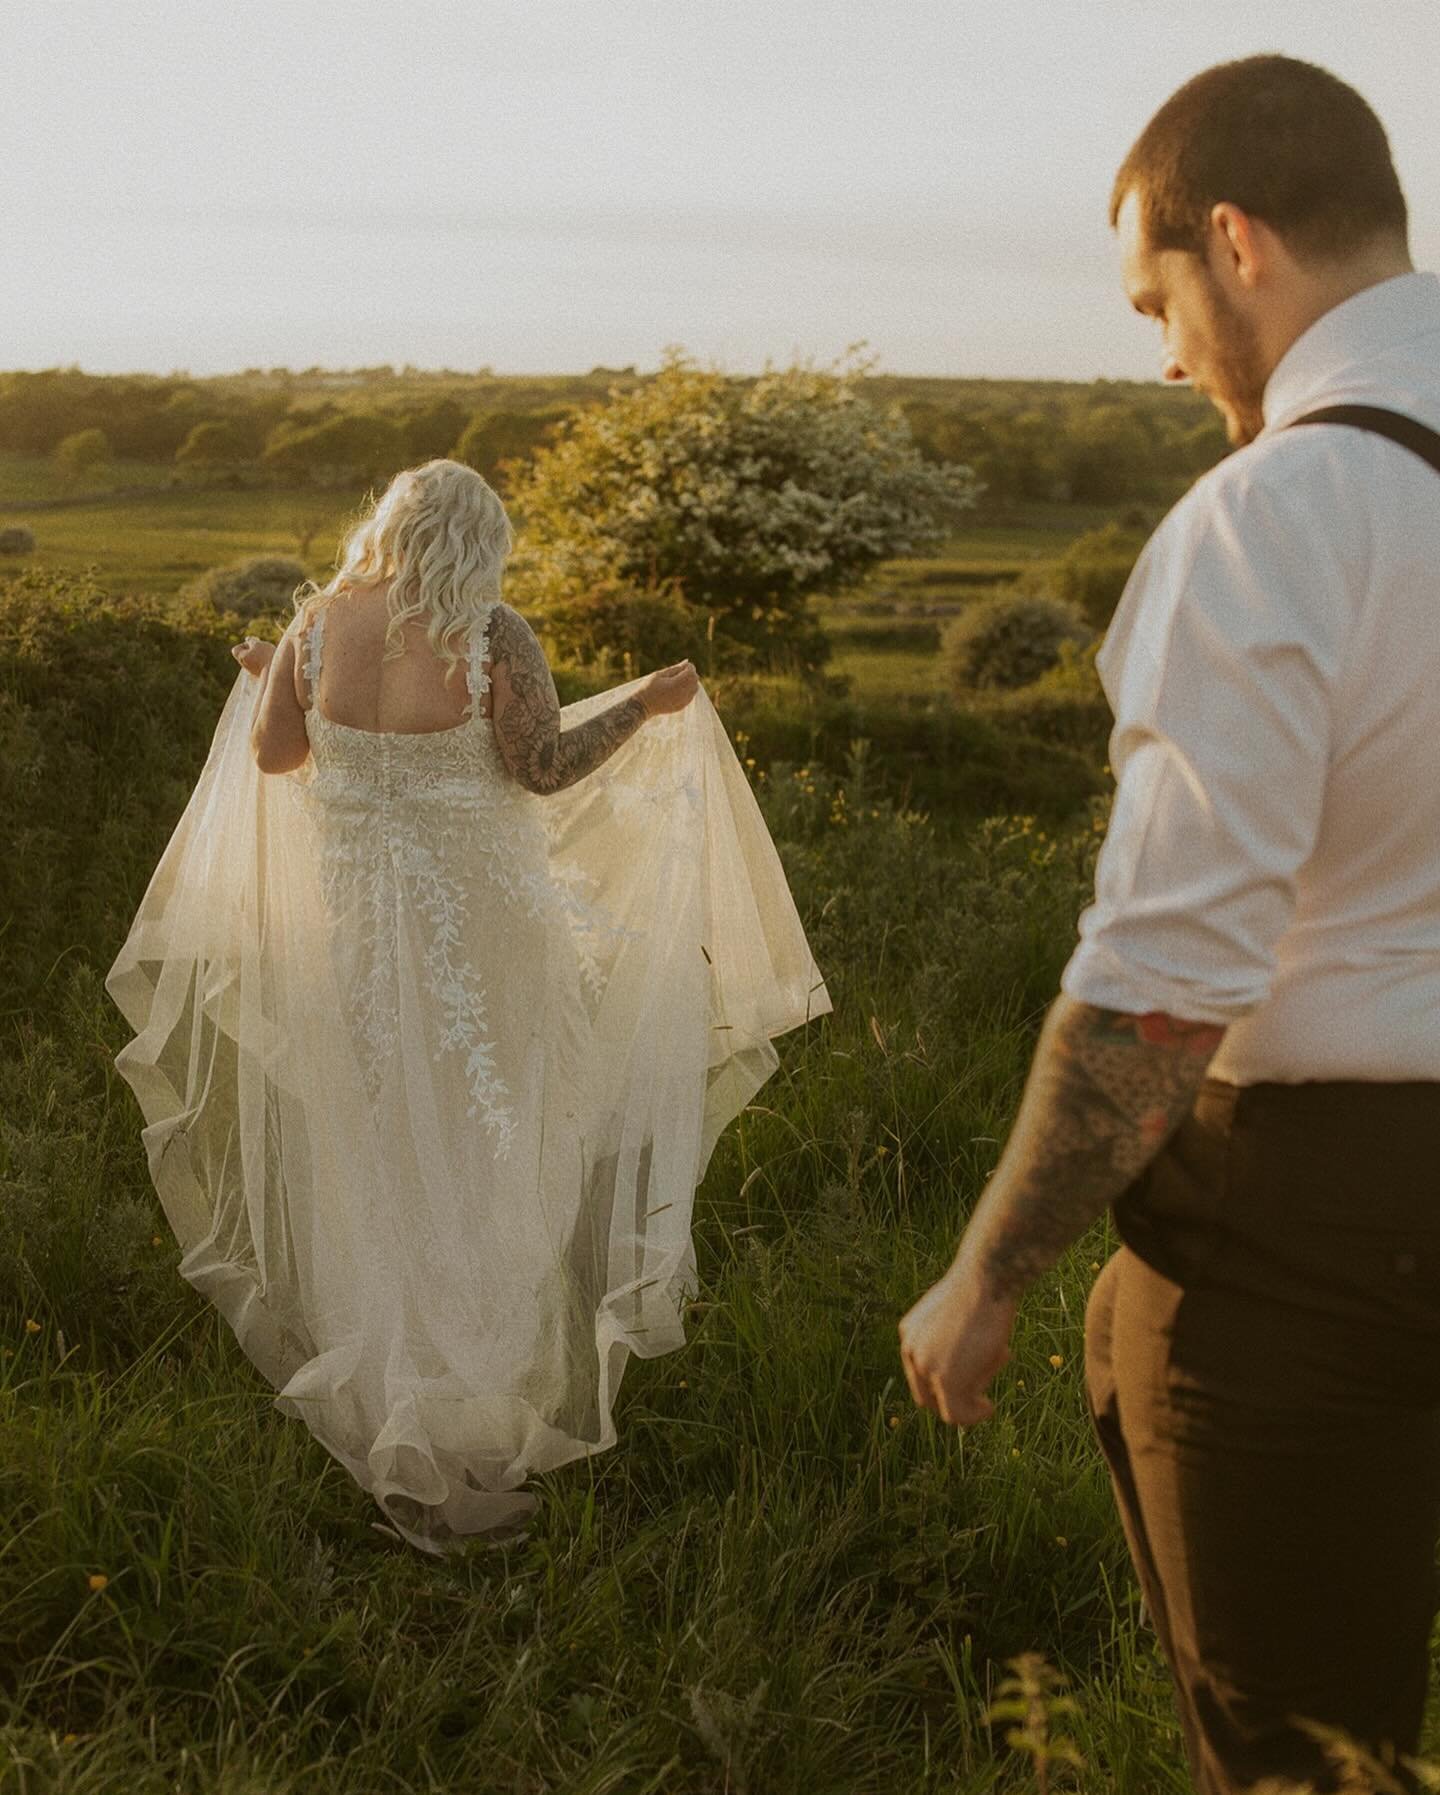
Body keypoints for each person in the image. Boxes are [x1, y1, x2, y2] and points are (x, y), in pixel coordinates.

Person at [898, 54, 1440, 1795]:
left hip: (1311, 1225)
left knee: (1302, 1760)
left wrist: (989, 1274)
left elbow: (1164, 986)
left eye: (1159, 298)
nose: (1163, 349)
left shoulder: (1277, 519)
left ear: (1237, 240)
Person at [106, 458, 831, 1555]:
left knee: (387, 1146)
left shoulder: (314, 624)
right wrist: (647, 702)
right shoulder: (493, 633)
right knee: (492, 1143)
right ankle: (477, 1403)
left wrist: (280, 676)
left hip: (356, 939)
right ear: (478, 540)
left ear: (387, 526)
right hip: (489, 933)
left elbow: (276, 754)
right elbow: (541, 769)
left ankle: (400, 1383)